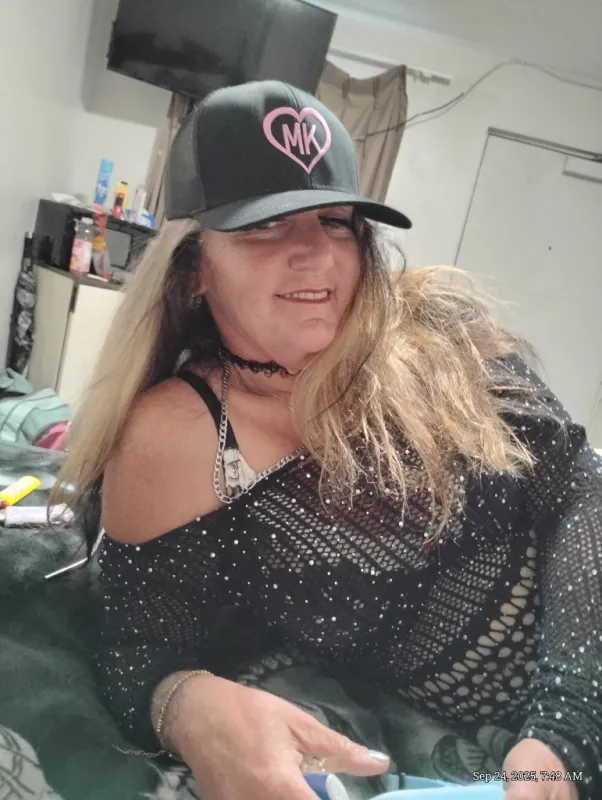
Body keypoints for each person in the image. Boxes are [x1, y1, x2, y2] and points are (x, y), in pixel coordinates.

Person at [54, 80, 602, 800]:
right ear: (192, 271)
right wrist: (188, 708)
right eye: (264, 225)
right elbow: (139, 650)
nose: (315, 253)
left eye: (337, 220)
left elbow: (579, 490)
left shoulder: (442, 330)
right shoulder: (185, 435)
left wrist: (564, 730)